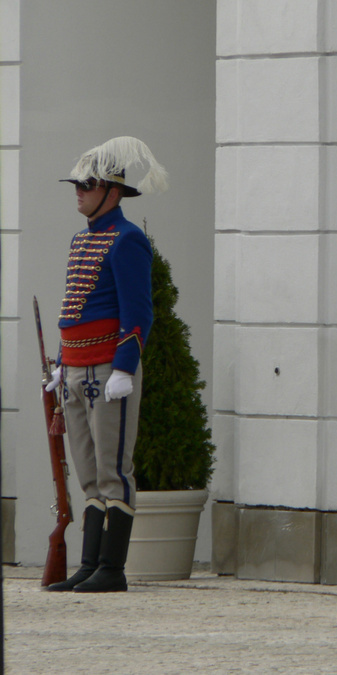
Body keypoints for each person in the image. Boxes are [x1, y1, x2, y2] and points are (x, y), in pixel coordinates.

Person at [44, 137, 168, 593]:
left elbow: (139, 312)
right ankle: (90, 563)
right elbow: (75, 308)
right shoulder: (82, 240)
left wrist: (125, 366)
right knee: (88, 470)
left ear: (113, 192)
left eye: (88, 184)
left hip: (105, 370)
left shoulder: (127, 239)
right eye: (76, 183)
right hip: (77, 369)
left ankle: (112, 569)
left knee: (115, 469)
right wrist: (61, 364)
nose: (78, 191)